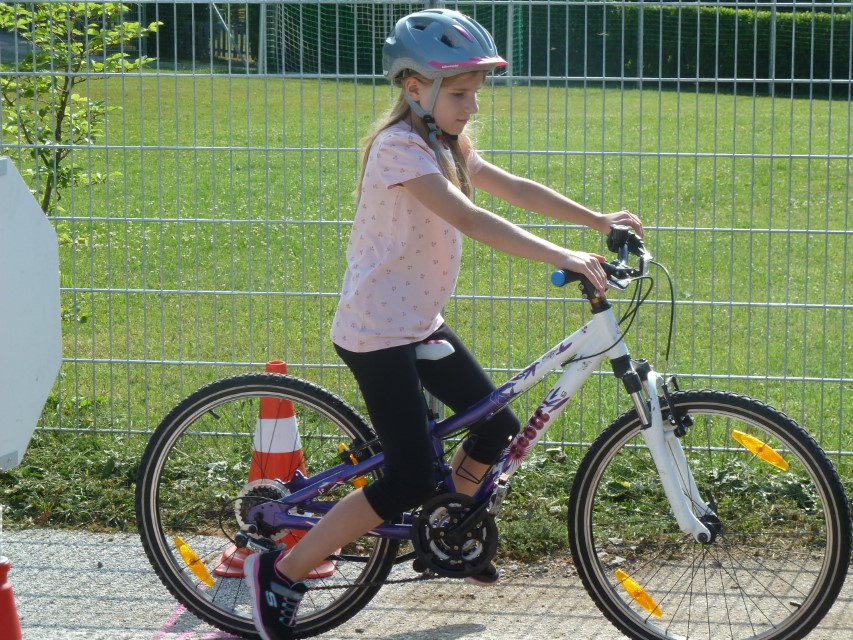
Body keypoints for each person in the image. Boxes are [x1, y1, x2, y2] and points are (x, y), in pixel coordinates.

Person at [244, 9, 643, 640]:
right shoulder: (399, 150)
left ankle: (448, 530)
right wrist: (564, 255)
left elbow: (513, 187)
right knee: (406, 477)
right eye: (460, 93)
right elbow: (471, 219)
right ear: (414, 88)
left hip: (418, 322)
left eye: (476, 92)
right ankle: (282, 574)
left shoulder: (446, 143)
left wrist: (597, 220)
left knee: (497, 425)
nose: (473, 105)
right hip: (378, 331)